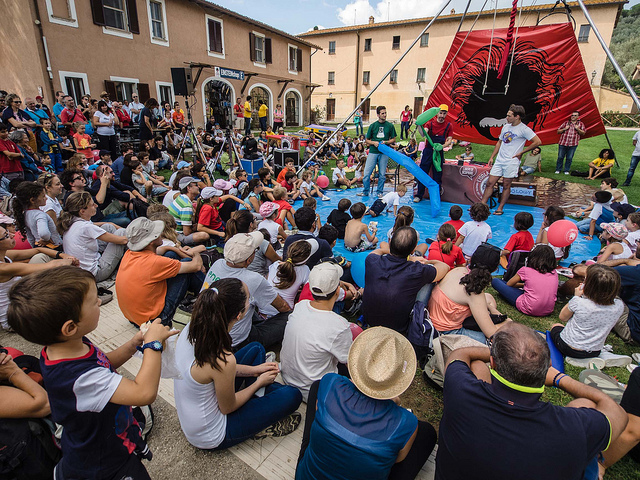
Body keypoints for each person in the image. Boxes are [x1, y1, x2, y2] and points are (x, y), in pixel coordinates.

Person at [7, 266, 179, 480]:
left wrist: (134, 344)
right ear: (70, 327)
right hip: (105, 464)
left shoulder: (64, 347)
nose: (99, 301)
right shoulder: (76, 377)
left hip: (102, 439)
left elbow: (103, 363)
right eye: (93, 300)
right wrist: (154, 344)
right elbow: (143, 393)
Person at [436, 322, 627, 480]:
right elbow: (618, 414)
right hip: (557, 444)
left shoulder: (461, 391)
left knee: (476, 365)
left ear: (493, 363)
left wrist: (498, 354)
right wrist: (561, 379)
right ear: (548, 367)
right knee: (586, 405)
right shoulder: (573, 427)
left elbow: (460, 354)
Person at [174, 280, 302, 449]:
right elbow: (228, 407)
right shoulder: (223, 358)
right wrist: (258, 383)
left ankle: (260, 401)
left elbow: (218, 371)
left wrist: (255, 370)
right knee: (293, 395)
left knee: (256, 349)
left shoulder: (197, 326)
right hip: (213, 433)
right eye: (249, 299)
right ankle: (259, 407)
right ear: (239, 315)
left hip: (198, 413)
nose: (251, 301)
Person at [296, 327, 437, 480]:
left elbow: (322, 405)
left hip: (306, 476)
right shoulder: (405, 422)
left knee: (317, 387)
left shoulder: (331, 383)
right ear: (397, 381)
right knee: (427, 433)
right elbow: (397, 459)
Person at [201, 232, 291, 349]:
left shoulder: (218, 264)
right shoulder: (253, 279)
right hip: (236, 342)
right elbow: (283, 307)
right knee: (289, 316)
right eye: (255, 250)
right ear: (248, 260)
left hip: (208, 331)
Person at [280, 261, 352, 401]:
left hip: (288, 378)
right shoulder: (339, 326)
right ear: (338, 291)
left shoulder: (300, 306)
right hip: (314, 392)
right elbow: (351, 362)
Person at [116, 217, 205, 327]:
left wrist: (174, 249)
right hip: (154, 322)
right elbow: (196, 266)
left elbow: (161, 251)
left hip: (134, 317)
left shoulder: (130, 253)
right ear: (151, 241)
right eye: (158, 233)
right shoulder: (155, 263)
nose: (161, 234)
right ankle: (210, 296)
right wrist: (195, 252)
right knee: (187, 264)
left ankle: (202, 296)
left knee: (171, 255)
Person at [364, 226, 449, 334]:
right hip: (398, 327)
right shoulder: (416, 270)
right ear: (413, 249)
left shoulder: (371, 260)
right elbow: (444, 267)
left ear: (390, 244)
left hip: (371, 321)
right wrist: (423, 261)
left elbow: (379, 250)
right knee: (429, 281)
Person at [428, 247, 508, 343]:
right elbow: (491, 333)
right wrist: (497, 314)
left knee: (489, 298)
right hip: (446, 333)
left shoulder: (459, 271)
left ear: (471, 259)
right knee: (505, 326)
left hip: (434, 319)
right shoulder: (474, 290)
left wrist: (490, 308)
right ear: (495, 268)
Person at [480, 105, 541, 215]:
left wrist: (521, 152)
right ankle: (482, 205)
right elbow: (499, 141)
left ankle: (500, 208)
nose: (506, 117)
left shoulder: (524, 129)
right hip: (500, 160)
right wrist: (492, 156)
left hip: (511, 161)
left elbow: (537, 142)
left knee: (506, 184)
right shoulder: (506, 126)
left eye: (509, 116)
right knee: (490, 183)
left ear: (517, 116)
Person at [58, 191, 128, 282]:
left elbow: (98, 226)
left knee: (108, 227)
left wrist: (109, 223)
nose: (96, 206)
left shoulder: (71, 223)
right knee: (121, 232)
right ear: (82, 211)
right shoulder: (86, 227)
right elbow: (122, 240)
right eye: (92, 205)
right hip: (96, 273)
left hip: (83, 271)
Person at [491, 245, 558, 316]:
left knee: (496, 281)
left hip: (528, 307)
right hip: (548, 310)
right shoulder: (554, 273)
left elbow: (509, 284)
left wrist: (523, 285)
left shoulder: (526, 270)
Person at [414, 104, 453, 199]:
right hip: (428, 151)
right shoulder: (430, 124)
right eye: (440, 113)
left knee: (437, 175)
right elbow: (423, 134)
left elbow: (449, 140)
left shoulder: (448, 125)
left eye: (444, 113)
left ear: (446, 114)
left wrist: (441, 146)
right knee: (423, 173)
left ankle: (436, 197)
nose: (442, 116)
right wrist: (419, 125)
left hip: (438, 153)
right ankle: (419, 195)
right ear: (437, 113)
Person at [359, 106, 396, 198]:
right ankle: (365, 191)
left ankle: (379, 192)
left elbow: (393, 139)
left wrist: (386, 142)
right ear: (378, 115)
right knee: (367, 173)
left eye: (385, 113)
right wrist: (374, 143)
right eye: (382, 113)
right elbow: (367, 140)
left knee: (382, 174)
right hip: (373, 151)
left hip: (384, 152)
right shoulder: (373, 125)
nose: (384, 115)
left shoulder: (390, 126)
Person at [13, 181, 62, 248]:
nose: (46, 198)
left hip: (39, 246)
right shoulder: (40, 215)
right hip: (53, 246)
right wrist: (46, 239)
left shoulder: (26, 214)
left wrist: (34, 246)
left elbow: (30, 236)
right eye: (43, 196)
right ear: (32, 200)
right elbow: (44, 233)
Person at [168, 176, 209, 246]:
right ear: (188, 188)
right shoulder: (186, 206)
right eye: (195, 185)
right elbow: (186, 232)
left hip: (171, 231)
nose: (198, 186)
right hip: (177, 235)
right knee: (204, 235)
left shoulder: (181, 198)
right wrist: (195, 228)